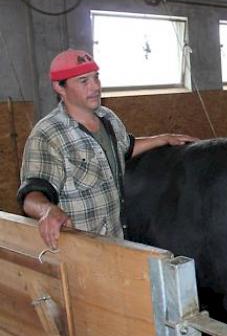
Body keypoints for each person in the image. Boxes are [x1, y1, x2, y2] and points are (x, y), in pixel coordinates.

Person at [17, 49, 198, 250]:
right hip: (80, 247)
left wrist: (163, 139)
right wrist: (47, 211)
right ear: (60, 87)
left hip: (116, 239)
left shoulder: (107, 118)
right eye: (84, 81)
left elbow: (125, 149)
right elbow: (32, 194)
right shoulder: (48, 134)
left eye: (96, 77)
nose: (95, 86)